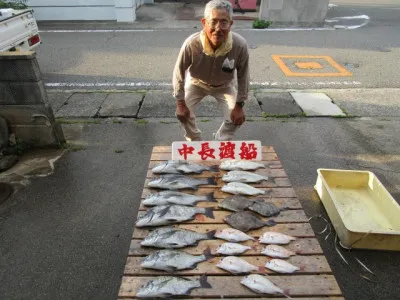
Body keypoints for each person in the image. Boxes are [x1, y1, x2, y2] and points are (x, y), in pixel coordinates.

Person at [173, 0, 250, 141]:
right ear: (204, 22)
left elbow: (243, 76)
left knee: (235, 117)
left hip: (224, 86)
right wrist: (180, 103)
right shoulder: (191, 44)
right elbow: (178, 73)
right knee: (183, 115)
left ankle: (220, 139)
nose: (218, 28)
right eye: (213, 22)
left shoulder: (239, 45)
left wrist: (240, 104)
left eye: (224, 22)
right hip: (196, 83)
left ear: (231, 24)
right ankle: (195, 140)